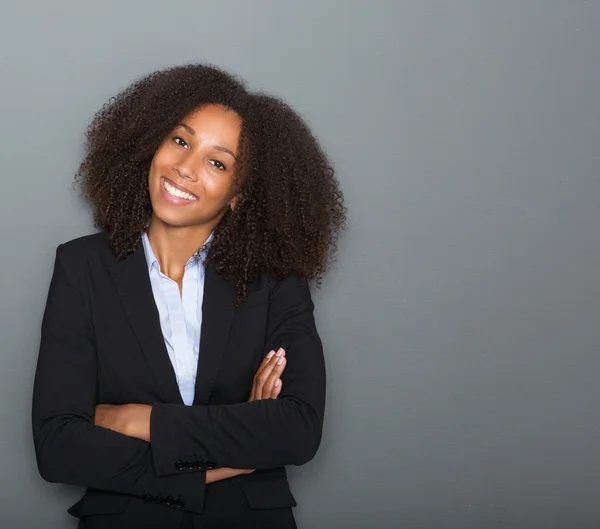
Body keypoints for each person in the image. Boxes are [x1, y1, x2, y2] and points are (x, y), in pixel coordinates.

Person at [31, 63, 345, 528]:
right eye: (180, 140)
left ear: (239, 194)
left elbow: (297, 429)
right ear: (151, 142)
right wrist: (232, 450)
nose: (184, 168)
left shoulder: (275, 281)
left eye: (217, 162)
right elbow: (59, 446)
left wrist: (138, 420)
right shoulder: (82, 267)